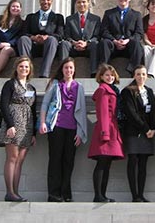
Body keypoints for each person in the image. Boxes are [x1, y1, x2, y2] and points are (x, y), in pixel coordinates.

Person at [39, 57, 87, 202]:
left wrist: (80, 132)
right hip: (56, 127)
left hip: (72, 129)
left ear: (74, 70)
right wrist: (42, 122)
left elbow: (82, 111)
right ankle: (53, 194)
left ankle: (66, 193)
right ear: (62, 69)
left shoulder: (79, 87)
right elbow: (45, 104)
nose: (68, 70)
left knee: (68, 161)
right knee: (55, 160)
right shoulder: (55, 85)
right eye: (66, 67)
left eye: (71, 68)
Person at [0, 57, 37, 202]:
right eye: (21, 66)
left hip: (27, 126)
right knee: (12, 158)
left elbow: (33, 110)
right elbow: (3, 105)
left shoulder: (31, 88)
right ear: (16, 68)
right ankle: (10, 192)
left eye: (26, 67)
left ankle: (16, 192)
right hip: (13, 124)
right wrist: (10, 125)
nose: (24, 69)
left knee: (20, 160)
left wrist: (34, 133)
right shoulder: (9, 84)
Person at [121, 65, 155, 202]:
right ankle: (134, 195)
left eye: (143, 74)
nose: (141, 77)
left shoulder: (149, 91)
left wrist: (153, 128)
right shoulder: (128, 91)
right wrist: (145, 129)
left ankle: (141, 194)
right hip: (134, 131)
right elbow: (131, 113)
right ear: (134, 76)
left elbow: (154, 111)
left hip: (148, 133)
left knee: (143, 164)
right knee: (133, 161)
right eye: (138, 74)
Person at [88, 63, 125, 202]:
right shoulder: (103, 90)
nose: (110, 77)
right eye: (107, 75)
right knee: (102, 163)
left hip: (111, 128)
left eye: (111, 75)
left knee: (107, 164)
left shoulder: (112, 89)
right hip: (106, 129)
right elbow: (103, 113)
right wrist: (105, 133)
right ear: (101, 76)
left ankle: (102, 194)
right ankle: (98, 195)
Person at [17, 0, 65, 78]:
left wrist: (47, 37)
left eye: (48, 0)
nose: (45, 2)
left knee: (52, 39)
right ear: (39, 1)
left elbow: (60, 35)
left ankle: (44, 74)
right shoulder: (31, 17)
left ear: (51, 1)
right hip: (33, 46)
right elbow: (24, 32)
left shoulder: (58, 17)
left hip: (50, 47)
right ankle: (26, 70)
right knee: (23, 39)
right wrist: (33, 37)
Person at [99, 0, 144, 75]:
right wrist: (114, 40)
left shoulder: (136, 15)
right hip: (113, 45)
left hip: (129, 45)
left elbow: (139, 33)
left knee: (137, 43)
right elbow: (104, 31)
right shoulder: (109, 13)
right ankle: (104, 71)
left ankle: (134, 71)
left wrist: (127, 40)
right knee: (104, 43)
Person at [61, 0, 101, 77]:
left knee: (95, 44)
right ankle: (63, 71)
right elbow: (67, 35)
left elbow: (97, 36)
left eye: (84, 2)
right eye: (79, 2)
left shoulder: (95, 19)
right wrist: (74, 43)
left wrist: (86, 43)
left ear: (88, 3)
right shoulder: (69, 19)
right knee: (64, 44)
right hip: (74, 47)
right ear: (75, 4)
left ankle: (94, 72)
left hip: (89, 47)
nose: (81, 4)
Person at [0, 0, 24, 78]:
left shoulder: (22, 23)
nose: (15, 8)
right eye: (13, 6)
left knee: (5, 50)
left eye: (17, 7)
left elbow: (20, 37)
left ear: (20, 9)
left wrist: (8, 44)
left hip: (12, 47)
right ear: (9, 7)